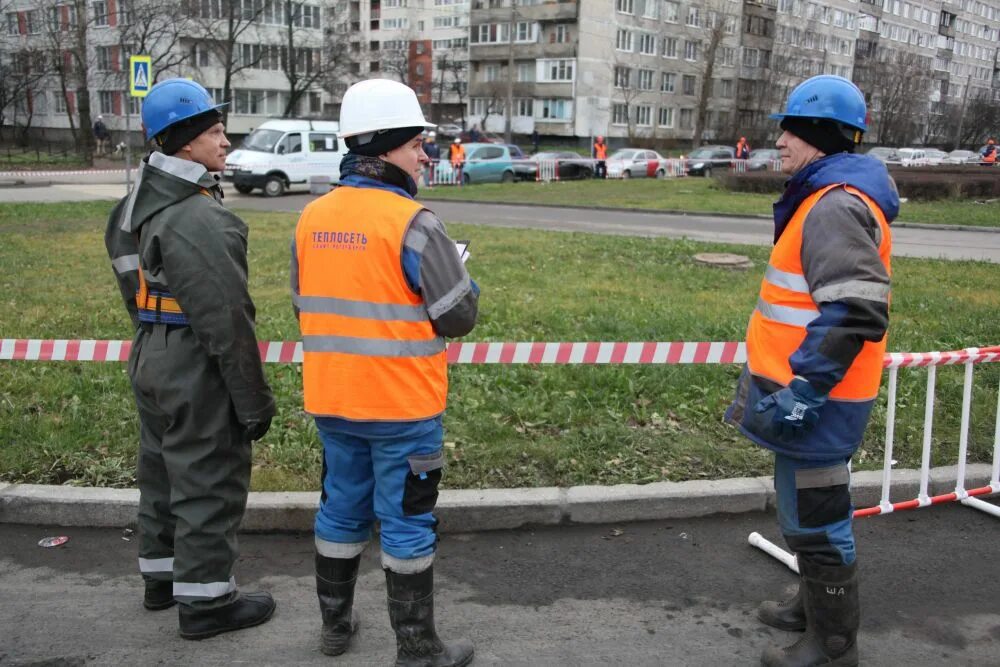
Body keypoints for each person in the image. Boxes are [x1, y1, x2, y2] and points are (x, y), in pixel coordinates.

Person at [291, 78, 479, 664]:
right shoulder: (416, 223)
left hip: (333, 402)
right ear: (390, 147)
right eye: (418, 143)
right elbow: (459, 317)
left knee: (340, 509)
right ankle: (418, 649)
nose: (426, 154)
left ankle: (335, 629)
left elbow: (305, 303)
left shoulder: (311, 218)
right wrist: (462, 275)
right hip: (403, 409)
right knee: (406, 523)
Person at [724, 75, 898, 667]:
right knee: (804, 510)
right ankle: (810, 608)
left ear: (818, 135)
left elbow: (855, 309)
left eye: (790, 131)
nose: (780, 143)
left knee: (819, 521)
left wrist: (806, 387)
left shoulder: (835, 205)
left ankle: (832, 646)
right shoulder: (831, 196)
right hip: (811, 392)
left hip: (819, 397)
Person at [104, 78, 277, 640]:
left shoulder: (131, 205)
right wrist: (253, 401)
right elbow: (227, 321)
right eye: (214, 132)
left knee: (159, 471)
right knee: (207, 475)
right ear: (182, 142)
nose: (226, 142)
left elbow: (135, 290)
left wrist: (157, 337)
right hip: (193, 362)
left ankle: (161, 580)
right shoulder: (200, 218)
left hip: (150, 351)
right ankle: (207, 605)